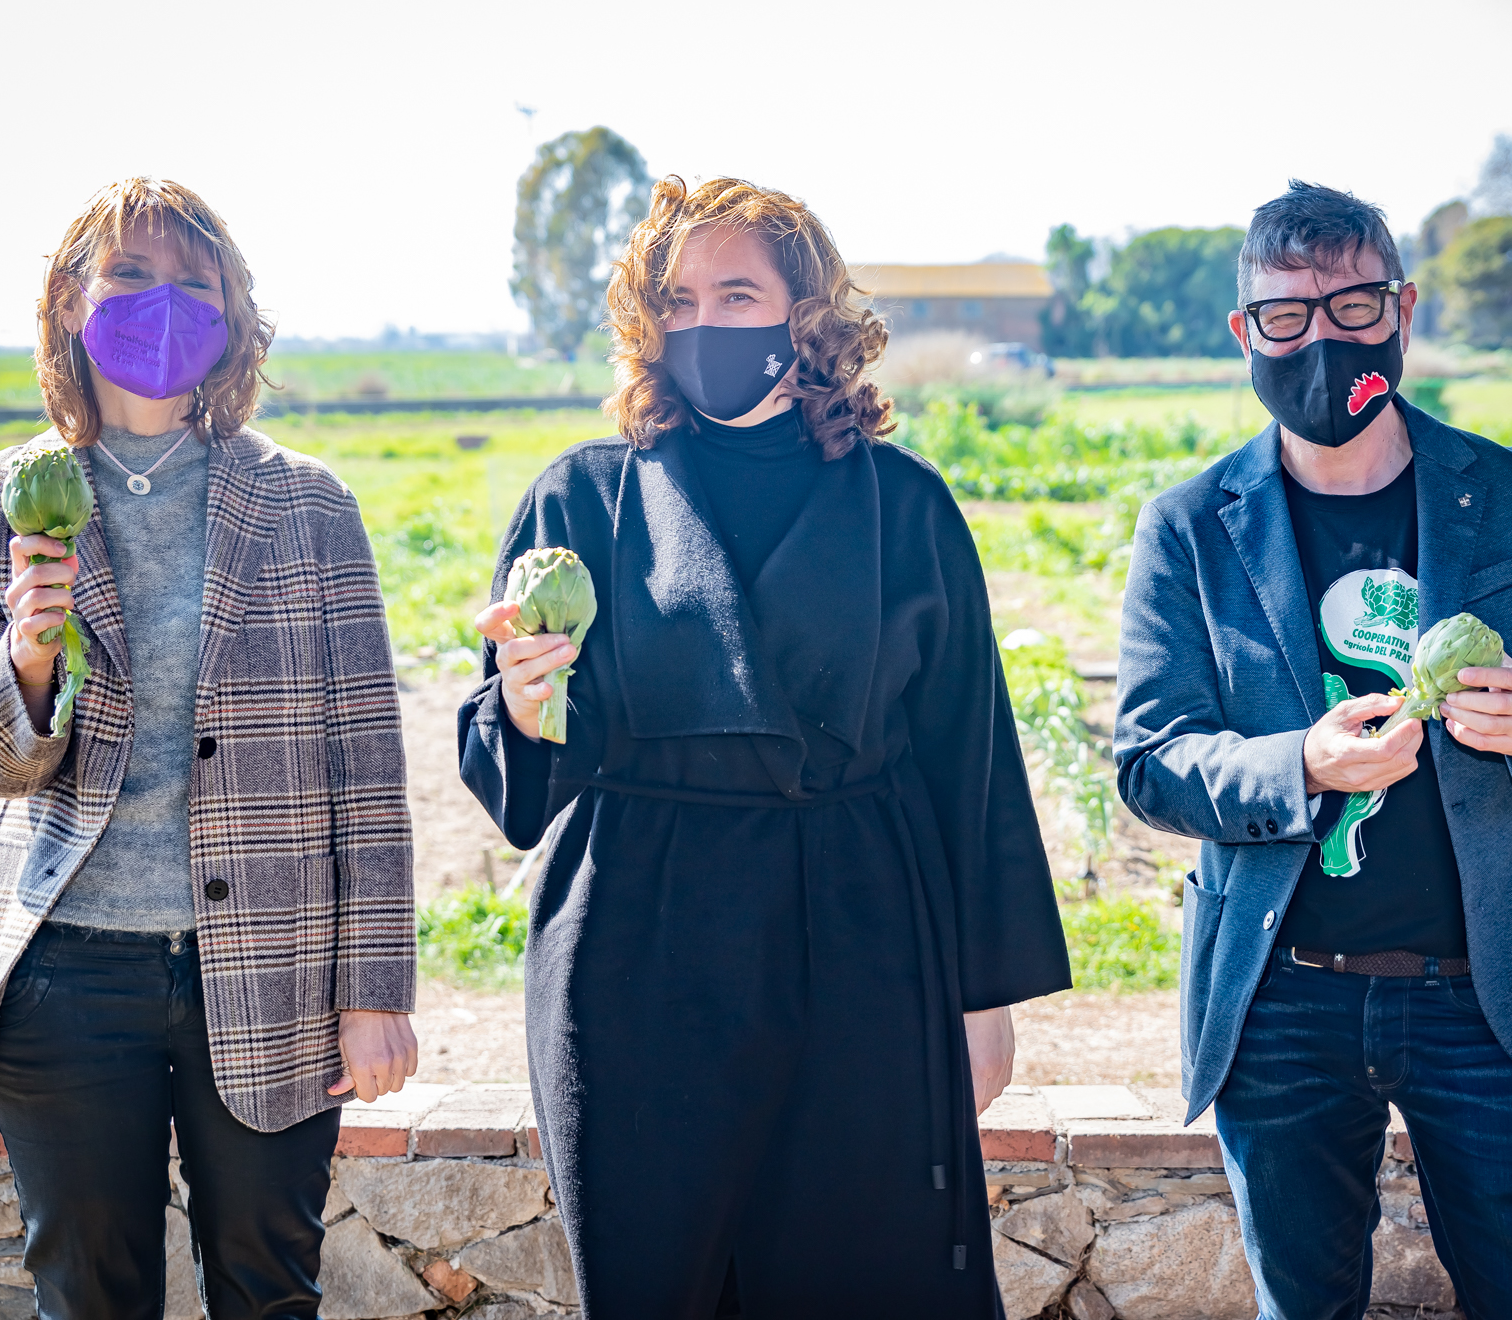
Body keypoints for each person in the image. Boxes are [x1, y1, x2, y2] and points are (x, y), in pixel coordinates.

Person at [458, 176, 1071, 1319]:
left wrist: (984, 998)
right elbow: (515, 780)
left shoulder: (904, 506)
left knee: (870, 1282)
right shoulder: (580, 499)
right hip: (635, 953)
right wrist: (523, 707)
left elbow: (969, 760)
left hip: (861, 942)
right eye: (676, 300)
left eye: (734, 294)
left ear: (807, 316)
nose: (702, 322)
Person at [1111, 181, 1512, 1319]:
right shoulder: (1190, 525)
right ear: (1245, 332)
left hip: (1489, 996)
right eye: (1286, 315)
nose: (1321, 340)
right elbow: (1149, 759)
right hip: (1279, 998)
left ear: (1402, 310)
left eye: (1353, 306)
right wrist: (1299, 767)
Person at [0, 176, 418, 1319]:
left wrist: (374, 988)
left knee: (268, 1289)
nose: (163, 304)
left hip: (271, 964)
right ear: (70, 302)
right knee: (90, 1298)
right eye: (130, 275)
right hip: (64, 973)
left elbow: (367, 767)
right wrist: (31, 653)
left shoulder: (309, 505)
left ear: (234, 314)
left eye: (195, 284)